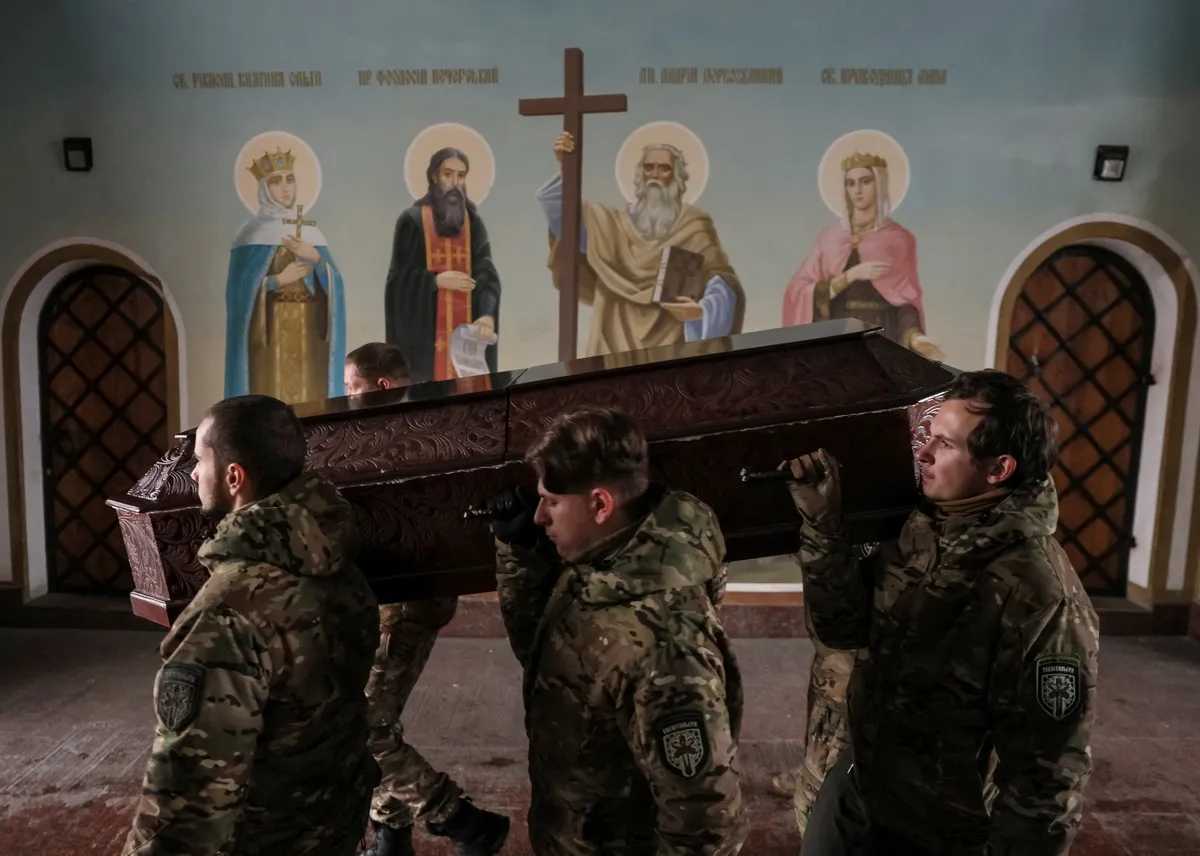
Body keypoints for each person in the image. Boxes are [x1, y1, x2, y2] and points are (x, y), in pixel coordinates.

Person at [787, 370, 1099, 856]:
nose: (923, 453)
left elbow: (1048, 767)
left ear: (998, 469)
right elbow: (842, 628)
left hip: (937, 826)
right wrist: (824, 531)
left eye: (945, 445)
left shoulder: (1041, 593)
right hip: (858, 783)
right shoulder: (919, 527)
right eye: (928, 437)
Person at [122, 394, 380, 855]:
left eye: (199, 460)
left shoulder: (227, 613)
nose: (194, 474)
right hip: (335, 827)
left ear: (234, 477)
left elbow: (188, 804)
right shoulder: (337, 562)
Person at [486, 406, 748, 855]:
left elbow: (705, 823)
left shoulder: (665, 649)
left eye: (551, 502)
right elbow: (548, 654)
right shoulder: (608, 562)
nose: (539, 517)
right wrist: (521, 555)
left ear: (601, 504)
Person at [344, 343, 510, 856]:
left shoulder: (403, 440)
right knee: (376, 721)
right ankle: (390, 836)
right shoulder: (418, 431)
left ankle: (463, 822)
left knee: (363, 727)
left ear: (383, 387)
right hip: (394, 596)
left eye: (352, 388)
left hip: (405, 600)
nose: (346, 397)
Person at [536, 131, 745, 355]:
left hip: (672, 348)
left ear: (677, 177)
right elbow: (566, 223)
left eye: (664, 168)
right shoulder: (611, 226)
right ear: (639, 175)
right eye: (648, 167)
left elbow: (720, 281)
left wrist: (702, 311)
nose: (654, 174)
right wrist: (566, 168)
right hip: (613, 342)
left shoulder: (693, 226)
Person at [384, 147, 501, 383]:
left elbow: (486, 274)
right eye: (448, 174)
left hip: (465, 341)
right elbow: (397, 282)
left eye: (461, 175)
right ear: (434, 177)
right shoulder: (412, 221)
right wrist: (435, 280)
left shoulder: (473, 222)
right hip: (424, 345)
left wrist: (487, 314)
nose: (455, 182)